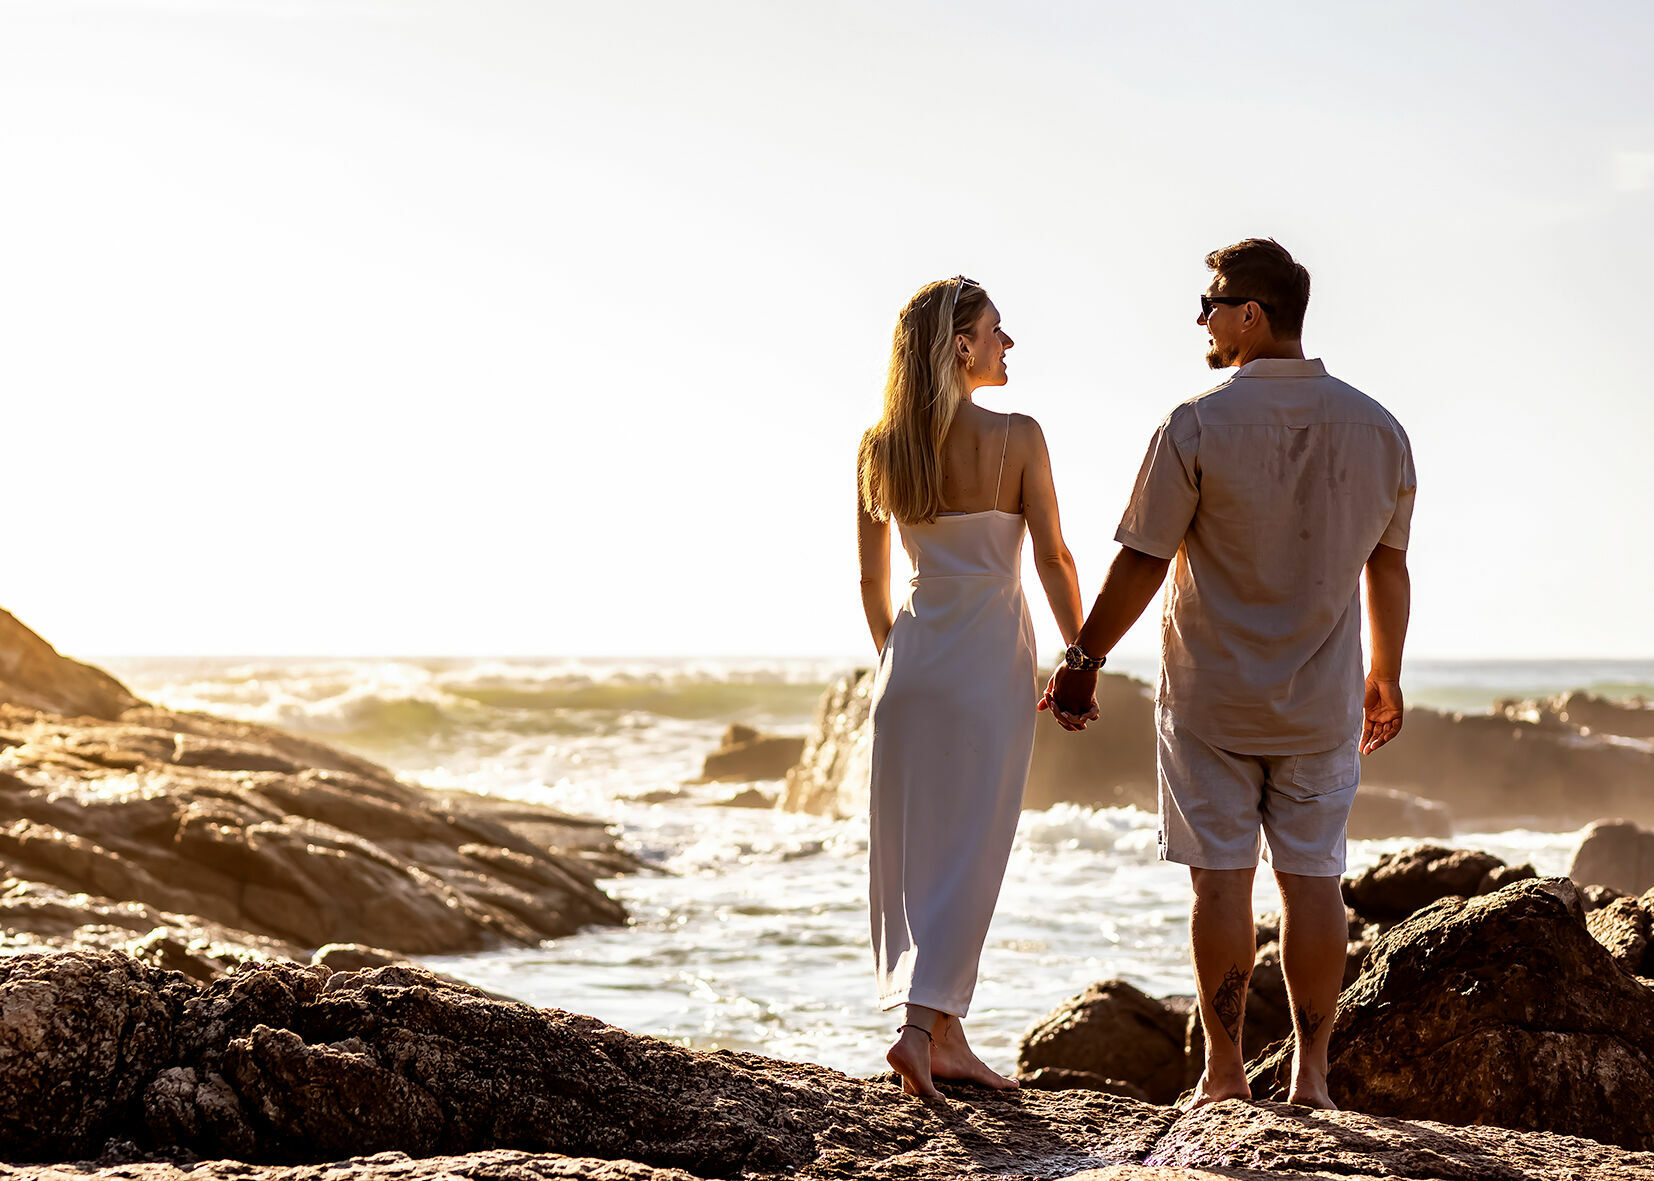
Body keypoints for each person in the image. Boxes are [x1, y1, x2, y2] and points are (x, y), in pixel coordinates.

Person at [1043, 239, 1415, 1111]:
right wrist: (1386, 674)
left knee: (1221, 879)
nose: (1202, 319)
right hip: (1322, 700)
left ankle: (1221, 1073)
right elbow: (1388, 566)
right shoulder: (1380, 428)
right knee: (1314, 879)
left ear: (1252, 314)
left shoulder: (1197, 421)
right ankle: (1312, 1077)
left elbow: (1141, 560)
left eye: (1210, 302)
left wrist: (1082, 660)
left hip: (1211, 698)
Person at [858, 275, 1089, 1097]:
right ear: (963, 345)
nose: (1007, 342)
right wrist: (1080, 657)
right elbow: (1056, 560)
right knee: (973, 852)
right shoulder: (1019, 436)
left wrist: (904, 664)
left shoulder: (879, 446)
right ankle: (918, 1031)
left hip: (911, 669)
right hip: (989, 662)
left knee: (920, 858)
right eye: (997, 329)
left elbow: (871, 589)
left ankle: (944, 1036)